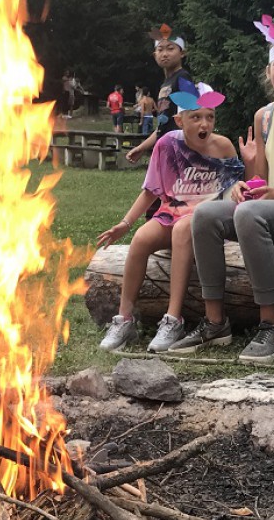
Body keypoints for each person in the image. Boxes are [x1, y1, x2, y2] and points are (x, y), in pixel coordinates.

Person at [168, 11, 274, 363]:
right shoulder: (263, 117)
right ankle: (215, 322)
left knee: (249, 214)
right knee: (205, 216)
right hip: (270, 209)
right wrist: (244, 184)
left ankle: (272, 325)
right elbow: (260, 184)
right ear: (269, 71)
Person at [96, 83, 244, 353]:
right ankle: (124, 319)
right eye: (195, 117)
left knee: (182, 230)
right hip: (170, 213)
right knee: (141, 238)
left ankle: (173, 319)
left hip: (204, 219)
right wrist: (125, 223)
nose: (204, 124)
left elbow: (235, 185)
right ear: (179, 120)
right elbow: (150, 191)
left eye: (210, 117)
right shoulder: (167, 145)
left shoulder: (223, 146)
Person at [125, 25, 195, 163]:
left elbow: (193, 116)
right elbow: (162, 126)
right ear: (154, 54)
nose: (165, 54)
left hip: (180, 151)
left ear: (182, 53)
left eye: (170, 48)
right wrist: (141, 148)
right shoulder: (165, 84)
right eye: (160, 49)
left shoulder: (183, 78)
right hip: (166, 149)